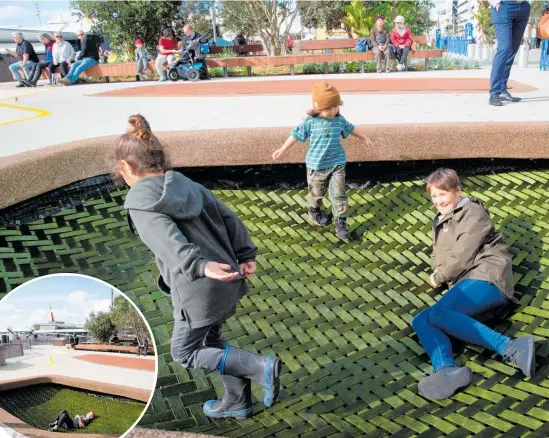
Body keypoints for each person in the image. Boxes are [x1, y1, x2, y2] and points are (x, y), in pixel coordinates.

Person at [113, 115, 282, 420]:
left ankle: (259, 367)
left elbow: (168, 242)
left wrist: (199, 266)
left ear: (126, 167)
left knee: (185, 352)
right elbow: (229, 218)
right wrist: (245, 254)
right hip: (226, 275)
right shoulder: (185, 184)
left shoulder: (139, 200)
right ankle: (237, 402)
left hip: (198, 286)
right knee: (214, 342)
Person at [412, 168, 535, 401]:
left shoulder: (473, 213)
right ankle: (446, 370)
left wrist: (437, 278)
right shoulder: (440, 220)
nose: (438, 201)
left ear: (457, 191)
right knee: (420, 319)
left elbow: (462, 256)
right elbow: (438, 256)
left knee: (438, 312)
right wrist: (437, 271)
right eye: (434, 197)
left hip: (488, 277)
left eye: (443, 194)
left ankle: (511, 348)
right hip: (465, 282)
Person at [272, 82, 373, 240]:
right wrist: (282, 149)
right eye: (328, 108)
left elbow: (351, 128)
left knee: (339, 194)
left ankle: (340, 221)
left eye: (335, 106)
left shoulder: (339, 121)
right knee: (316, 194)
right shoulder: (310, 122)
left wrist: (365, 138)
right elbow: (295, 135)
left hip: (337, 164)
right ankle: (315, 210)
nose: (333, 111)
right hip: (316, 166)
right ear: (318, 108)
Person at [488, 0, 531, 107]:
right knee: (504, 49)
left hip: (523, 7)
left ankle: (502, 90)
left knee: (512, 50)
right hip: (504, 6)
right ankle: (494, 92)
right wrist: (495, 3)